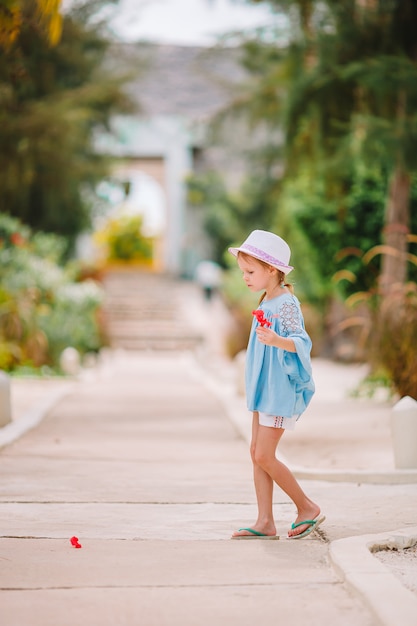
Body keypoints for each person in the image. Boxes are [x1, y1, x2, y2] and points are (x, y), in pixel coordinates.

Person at [228, 229, 325, 540]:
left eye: (250, 271)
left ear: (272, 270)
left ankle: (306, 507)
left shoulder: (285, 303)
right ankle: (265, 521)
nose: (245, 277)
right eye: (243, 271)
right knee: (256, 451)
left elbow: (301, 341)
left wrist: (276, 339)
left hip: (278, 389)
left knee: (264, 455)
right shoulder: (267, 300)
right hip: (263, 389)